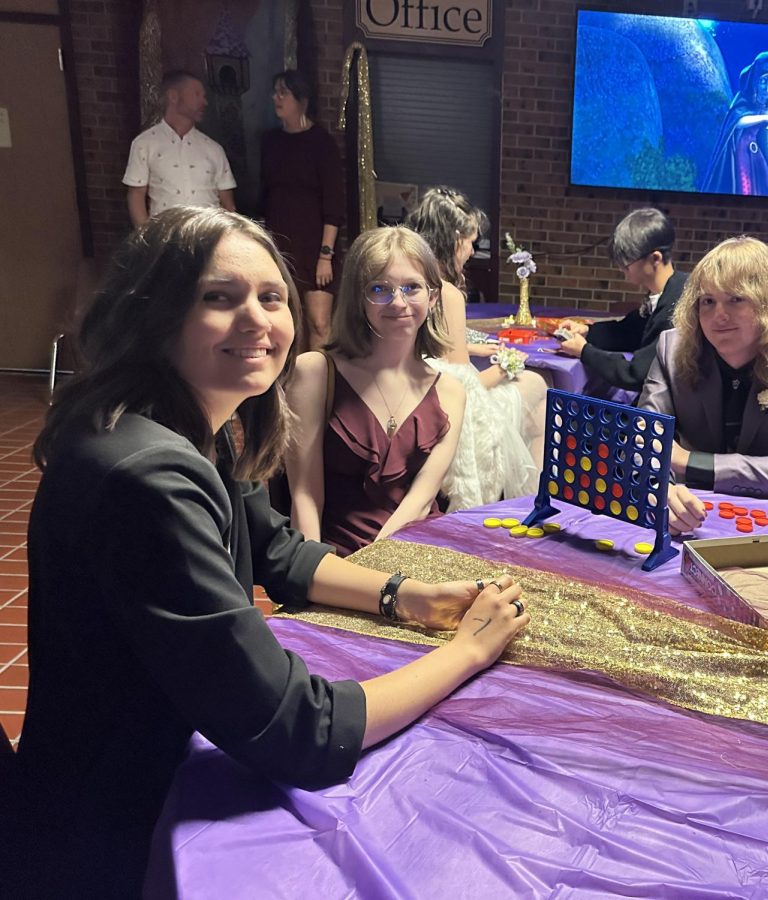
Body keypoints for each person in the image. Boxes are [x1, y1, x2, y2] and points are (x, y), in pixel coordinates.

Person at [13, 207, 527, 895]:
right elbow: (300, 732)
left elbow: (281, 552)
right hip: (113, 829)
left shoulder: (196, 427)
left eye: (271, 297)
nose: (257, 320)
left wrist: (405, 595)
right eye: (219, 297)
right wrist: (466, 651)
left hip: (146, 765)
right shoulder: (147, 475)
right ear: (154, 312)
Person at [639, 235, 768, 533]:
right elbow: (646, 443)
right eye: (708, 301)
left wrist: (689, 462)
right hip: (691, 512)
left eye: (736, 299)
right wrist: (662, 489)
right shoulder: (672, 349)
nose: (718, 315)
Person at [285, 225, 466, 556]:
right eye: (380, 289)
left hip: (418, 557)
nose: (398, 302)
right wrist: (313, 578)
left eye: (412, 287)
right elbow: (305, 497)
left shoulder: (451, 391)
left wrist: (377, 571)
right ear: (359, 299)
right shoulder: (314, 372)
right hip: (333, 559)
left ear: (433, 297)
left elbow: (421, 501)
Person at [408, 186, 546, 510]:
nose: (471, 250)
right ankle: (532, 500)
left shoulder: (406, 282)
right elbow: (462, 386)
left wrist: (472, 347)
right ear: (453, 240)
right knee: (537, 386)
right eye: (470, 241)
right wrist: (506, 366)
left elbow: (431, 351)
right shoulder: (446, 293)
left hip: (415, 391)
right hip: (452, 410)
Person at [556, 208, 688, 396]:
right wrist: (587, 331)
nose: (621, 268)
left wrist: (584, 352)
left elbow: (636, 374)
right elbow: (629, 331)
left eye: (626, 263)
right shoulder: (668, 291)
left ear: (655, 258)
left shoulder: (678, 307)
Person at [260, 69, 346, 351]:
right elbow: (264, 197)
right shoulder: (270, 142)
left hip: (316, 247)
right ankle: (292, 388)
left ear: (302, 99)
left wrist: (326, 254)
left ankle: (320, 385)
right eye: (275, 92)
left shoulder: (322, 143)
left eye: (283, 92)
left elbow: (334, 205)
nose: (277, 98)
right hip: (281, 247)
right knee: (289, 325)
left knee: (319, 322)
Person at [123, 70, 236, 226]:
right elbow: (136, 195)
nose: (204, 102)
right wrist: (147, 239)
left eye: (203, 96)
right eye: (197, 95)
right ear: (173, 96)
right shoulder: (144, 144)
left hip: (209, 237)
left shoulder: (213, 149)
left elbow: (227, 203)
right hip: (165, 237)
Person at [701, 52, 768, 197]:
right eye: (763, 81)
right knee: (743, 186)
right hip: (740, 151)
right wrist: (765, 118)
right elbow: (737, 122)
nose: (767, 89)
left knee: (761, 187)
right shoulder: (743, 98)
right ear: (755, 80)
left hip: (756, 154)